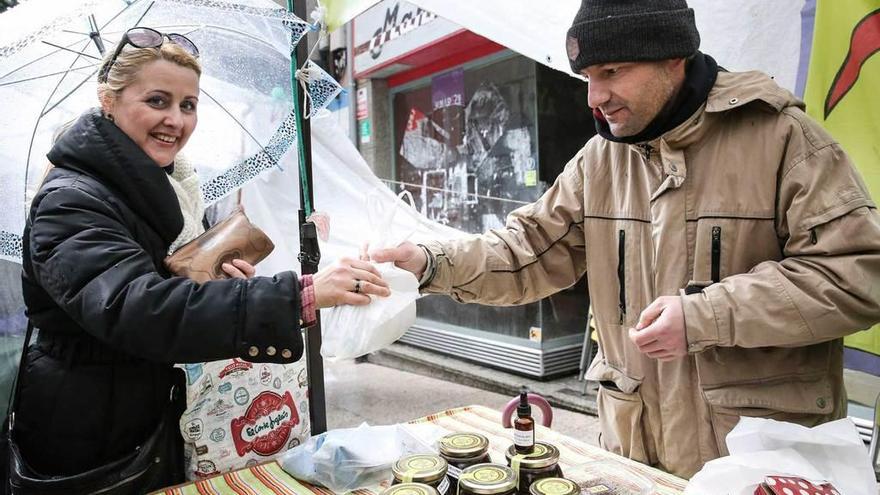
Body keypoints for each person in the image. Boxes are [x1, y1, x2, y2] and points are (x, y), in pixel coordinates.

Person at [370, 0, 880, 478]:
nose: (595, 97)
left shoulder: (784, 138)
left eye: (612, 72)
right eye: (589, 77)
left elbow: (858, 275)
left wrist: (706, 315)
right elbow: (525, 251)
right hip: (637, 458)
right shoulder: (600, 160)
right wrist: (431, 263)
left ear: (673, 57)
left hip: (756, 465)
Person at [15, 27, 388, 490]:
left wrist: (215, 282)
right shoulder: (72, 200)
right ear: (107, 101)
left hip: (148, 416)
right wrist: (299, 293)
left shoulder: (164, 189)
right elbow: (140, 310)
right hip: (90, 437)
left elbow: (156, 288)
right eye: (157, 101)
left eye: (187, 104)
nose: (176, 119)